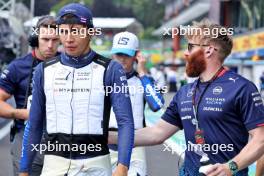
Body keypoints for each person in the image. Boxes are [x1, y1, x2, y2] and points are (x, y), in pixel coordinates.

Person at [109, 19, 264, 176]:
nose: (185, 52)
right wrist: (105, 137)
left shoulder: (242, 88)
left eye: (190, 46)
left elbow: (260, 139)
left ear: (209, 50)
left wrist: (230, 167)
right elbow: (156, 133)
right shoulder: (185, 92)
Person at [19, 3, 134, 176]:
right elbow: (34, 124)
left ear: (90, 33)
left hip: (96, 166)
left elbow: (125, 121)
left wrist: (123, 166)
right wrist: (24, 169)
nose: (69, 39)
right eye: (64, 31)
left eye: (76, 31)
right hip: (54, 165)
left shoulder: (111, 69)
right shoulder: (44, 70)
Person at [0, 15, 60, 176]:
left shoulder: (68, 65)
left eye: (55, 40)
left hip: (61, 138)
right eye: (45, 39)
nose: (50, 45)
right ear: (35, 39)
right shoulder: (17, 67)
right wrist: (23, 114)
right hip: (25, 134)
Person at [109, 31, 164, 176]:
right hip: (105, 145)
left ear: (136, 55)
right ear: (112, 54)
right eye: (118, 54)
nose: (122, 59)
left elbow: (157, 104)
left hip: (134, 145)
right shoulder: (101, 78)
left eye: (126, 55)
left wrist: (143, 72)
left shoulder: (144, 80)